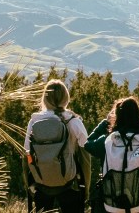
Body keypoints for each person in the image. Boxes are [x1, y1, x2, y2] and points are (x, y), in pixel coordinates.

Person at [25, 79, 90, 213]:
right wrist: (86, 189)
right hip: (69, 185)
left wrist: (29, 184)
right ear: (66, 98)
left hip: (41, 183)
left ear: (45, 99)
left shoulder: (34, 121)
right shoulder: (73, 121)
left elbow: (27, 153)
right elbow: (85, 154)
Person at [85, 97, 139, 213]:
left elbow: (88, 144)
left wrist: (105, 122)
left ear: (117, 117)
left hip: (109, 205)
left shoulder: (108, 141)